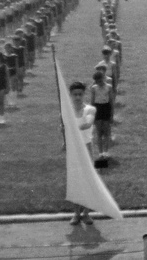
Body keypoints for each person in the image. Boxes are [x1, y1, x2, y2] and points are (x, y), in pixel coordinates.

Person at [69, 80, 96, 225]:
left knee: (87, 181)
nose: (78, 97)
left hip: (86, 148)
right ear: (71, 95)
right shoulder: (66, 111)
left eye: (80, 94)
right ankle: (76, 213)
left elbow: (88, 124)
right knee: (75, 183)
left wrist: (71, 127)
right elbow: (63, 130)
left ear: (84, 94)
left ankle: (86, 213)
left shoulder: (90, 109)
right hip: (73, 149)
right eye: (75, 95)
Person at [90, 70, 113, 159]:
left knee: (106, 131)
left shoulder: (109, 87)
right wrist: (92, 115)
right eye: (97, 81)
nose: (99, 83)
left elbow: (111, 101)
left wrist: (111, 114)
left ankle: (106, 151)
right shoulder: (94, 88)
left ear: (103, 78)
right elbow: (92, 102)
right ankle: (100, 152)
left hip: (106, 107)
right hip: (97, 108)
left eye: (101, 80)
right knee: (99, 132)